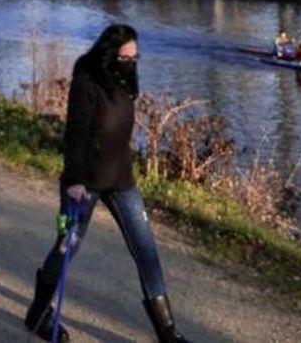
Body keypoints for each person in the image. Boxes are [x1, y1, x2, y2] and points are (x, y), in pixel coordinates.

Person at [24, 25, 190, 343]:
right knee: (65, 248)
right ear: (110, 53)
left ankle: (168, 333)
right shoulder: (87, 81)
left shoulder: (124, 81)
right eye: (125, 56)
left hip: (121, 180)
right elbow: (76, 134)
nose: (131, 62)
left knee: (146, 251)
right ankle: (38, 313)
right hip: (84, 183)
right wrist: (74, 180)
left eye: (135, 57)